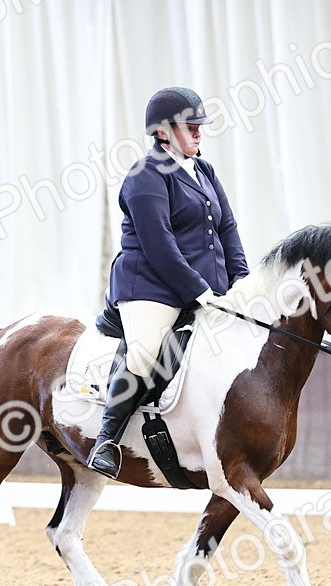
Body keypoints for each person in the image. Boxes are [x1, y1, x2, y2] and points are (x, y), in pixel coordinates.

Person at [87, 86, 249, 479]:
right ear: (162, 132)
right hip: (151, 287)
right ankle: (106, 440)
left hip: (204, 286)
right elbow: (160, 245)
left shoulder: (204, 170)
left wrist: (242, 281)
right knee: (145, 353)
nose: (198, 132)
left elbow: (227, 228)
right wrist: (198, 290)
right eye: (189, 126)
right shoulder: (145, 175)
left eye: (199, 126)